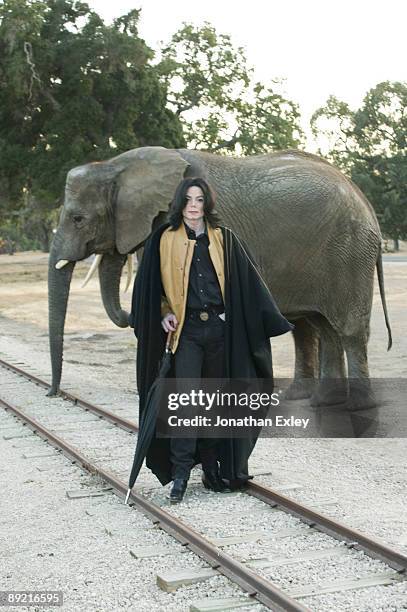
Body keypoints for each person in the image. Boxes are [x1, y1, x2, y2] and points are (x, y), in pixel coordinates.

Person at [129, 177, 294, 503]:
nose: (194, 205)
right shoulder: (163, 239)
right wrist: (164, 312)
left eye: (200, 199)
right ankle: (179, 474)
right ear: (180, 203)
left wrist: (238, 317)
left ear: (207, 204)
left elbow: (248, 286)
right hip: (186, 333)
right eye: (188, 199)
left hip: (220, 333)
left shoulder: (225, 239)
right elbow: (152, 291)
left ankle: (213, 468)